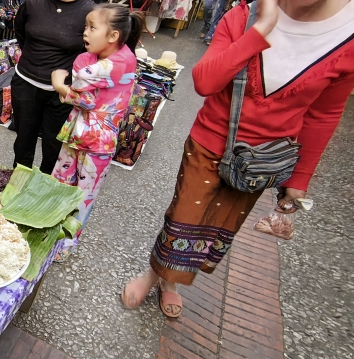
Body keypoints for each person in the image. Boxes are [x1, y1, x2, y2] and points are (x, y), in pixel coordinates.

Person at [122, 0, 354, 318]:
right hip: (211, 141)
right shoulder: (246, 15)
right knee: (183, 219)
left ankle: (169, 281)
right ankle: (156, 276)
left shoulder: (347, 35)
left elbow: (323, 114)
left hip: (263, 160)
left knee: (214, 227)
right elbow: (205, 82)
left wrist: (300, 179)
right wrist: (260, 29)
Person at [48, 3, 141, 259]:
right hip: (78, 132)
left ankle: (65, 244)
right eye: (85, 27)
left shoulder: (118, 63)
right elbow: (83, 84)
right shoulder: (102, 58)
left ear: (113, 36)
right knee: (62, 183)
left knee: (83, 195)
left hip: (98, 141)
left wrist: (58, 83)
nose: (85, 33)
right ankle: (49, 230)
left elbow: (82, 95)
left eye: (92, 27)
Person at [10, 0, 96, 174]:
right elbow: (20, 32)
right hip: (26, 82)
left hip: (62, 92)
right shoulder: (33, 3)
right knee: (23, 140)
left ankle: (44, 188)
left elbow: (92, 48)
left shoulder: (90, 10)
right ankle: (17, 184)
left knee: (54, 145)